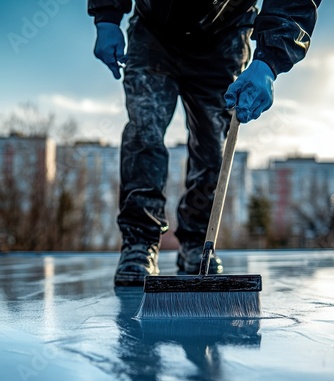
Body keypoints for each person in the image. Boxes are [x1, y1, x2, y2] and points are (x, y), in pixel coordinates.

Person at [88, 0, 321, 286]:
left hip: (225, 38)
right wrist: (107, 16)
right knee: (144, 130)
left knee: (212, 146)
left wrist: (270, 60)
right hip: (154, 34)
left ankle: (198, 242)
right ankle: (139, 243)